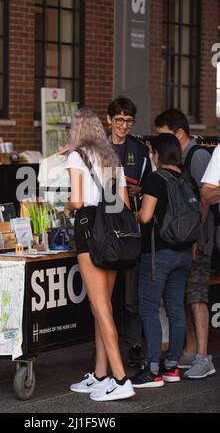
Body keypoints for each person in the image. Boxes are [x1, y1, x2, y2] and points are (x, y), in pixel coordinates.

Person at [64, 107, 135, 402]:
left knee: (100, 307)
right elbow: (124, 204)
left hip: (90, 231)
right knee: (101, 307)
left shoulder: (75, 156)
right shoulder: (111, 158)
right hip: (115, 233)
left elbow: (78, 200)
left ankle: (120, 379)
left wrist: (66, 207)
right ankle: (101, 374)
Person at [155, 109, 216, 379]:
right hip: (186, 238)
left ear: (179, 133)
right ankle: (190, 350)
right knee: (184, 294)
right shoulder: (179, 158)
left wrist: (194, 237)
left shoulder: (198, 156)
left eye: (163, 136)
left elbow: (204, 198)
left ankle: (203, 356)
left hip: (198, 239)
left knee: (197, 294)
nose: (158, 142)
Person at [131, 134, 193, 388]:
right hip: (184, 253)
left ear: (157, 153)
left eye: (151, 153)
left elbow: (145, 217)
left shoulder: (155, 179)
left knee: (148, 308)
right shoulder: (188, 179)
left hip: (158, 254)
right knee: (176, 309)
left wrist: (133, 211)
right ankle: (171, 368)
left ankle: (152, 369)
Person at [107, 96, 152, 366]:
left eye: (129, 120)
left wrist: (139, 191)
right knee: (106, 293)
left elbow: (153, 187)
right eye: (120, 120)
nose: (124, 125)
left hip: (131, 228)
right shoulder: (96, 147)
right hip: (103, 228)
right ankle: (105, 346)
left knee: (132, 294)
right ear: (109, 119)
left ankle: (135, 344)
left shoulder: (141, 150)